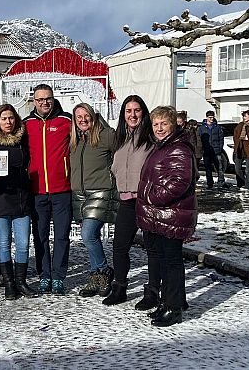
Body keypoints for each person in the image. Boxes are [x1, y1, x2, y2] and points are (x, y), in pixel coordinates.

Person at [136, 105, 197, 327]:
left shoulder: (178, 148)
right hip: (161, 216)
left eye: (164, 123)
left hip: (172, 215)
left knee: (172, 263)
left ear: (173, 124)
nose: (159, 128)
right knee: (164, 261)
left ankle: (174, 308)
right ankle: (168, 302)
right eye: (156, 124)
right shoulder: (162, 146)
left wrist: (151, 196)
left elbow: (180, 182)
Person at [103, 95, 155, 307]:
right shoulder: (120, 138)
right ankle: (120, 287)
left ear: (143, 112)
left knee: (152, 248)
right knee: (119, 246)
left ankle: (153, 291)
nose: (132, 115)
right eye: (128, 111)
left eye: (137, 110)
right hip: (126, 200)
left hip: (147, 201)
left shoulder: (151, 137)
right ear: (123, 114)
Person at [0, 104, 38, 300]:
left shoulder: (22, 140)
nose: (8, 122)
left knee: (23, 244)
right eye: (4, 118)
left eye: (11, 118)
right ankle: (9, 284)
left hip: (21, 199)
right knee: (4, 243)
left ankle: (21, 281)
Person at [24, 83, 72, 294]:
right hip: (37, 190)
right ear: (34, 101)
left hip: (62, 189)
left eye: (48, 98)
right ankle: (44, 275)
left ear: (53, 99)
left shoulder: (66, 120)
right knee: (40, 235)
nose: (44, 102)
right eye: (40, 99)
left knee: (62, 235)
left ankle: (58, 276)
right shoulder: (27, 124)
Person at [70, 103, 118, 298]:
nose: (83, 119)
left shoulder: (106, 135)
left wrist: (115, 179)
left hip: (100, 191)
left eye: (86, 115)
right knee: (92, 238)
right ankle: (95, 277)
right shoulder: (75, 139)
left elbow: (120, 156)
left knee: (88, 234)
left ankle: (104, 271)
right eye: (78, 117)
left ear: (93, 115)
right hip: (79, 194)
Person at [199, 110, 226, 189]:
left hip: (216, 150)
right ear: (206, 117)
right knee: (208, 168)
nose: (211, 119)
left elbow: (221, 138)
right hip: (206, 150)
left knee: (219, 167)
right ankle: (210, 183)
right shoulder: (202, 128)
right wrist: (202, 149)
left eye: (213, 117)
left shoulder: (217, 127)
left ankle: (221, 181)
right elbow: (200, 139)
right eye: (210, 117)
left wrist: (220, 148)